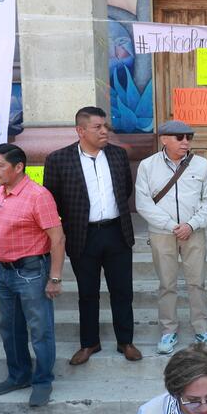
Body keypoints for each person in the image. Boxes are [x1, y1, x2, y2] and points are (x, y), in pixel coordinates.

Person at [43, 106, 142, 364]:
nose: (104, 131)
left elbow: (126, 190)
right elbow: (51, 199)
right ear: (80, 130)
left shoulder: (119, 156)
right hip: (82, 235)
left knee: (123, 290)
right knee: (87, 293)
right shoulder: (58, 159)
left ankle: (125, 341)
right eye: (97, 127)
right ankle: (89, 343)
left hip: (117, 232)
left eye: (105, 126)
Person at [0, 144, 65, 407]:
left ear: (18, 167)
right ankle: (18, 375)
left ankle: (42, 380)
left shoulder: (38, 196)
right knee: (9, 328)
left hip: (31, 272)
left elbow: (57, 238)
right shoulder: (0, 192)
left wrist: (54, 277)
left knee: (40, 329)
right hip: (4, 272)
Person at [135, 120, 207, 354]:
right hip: (163, 234)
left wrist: (192, 225)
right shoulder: (147, 166)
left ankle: (202, 327)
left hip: (194, 233)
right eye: (180, 137)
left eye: (189, 137)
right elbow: (143, 203)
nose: (185, 142)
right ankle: (168, 331)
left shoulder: (201, 165)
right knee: (167, 284)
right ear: (164, 139)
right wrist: (172, 225)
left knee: (197, 283)